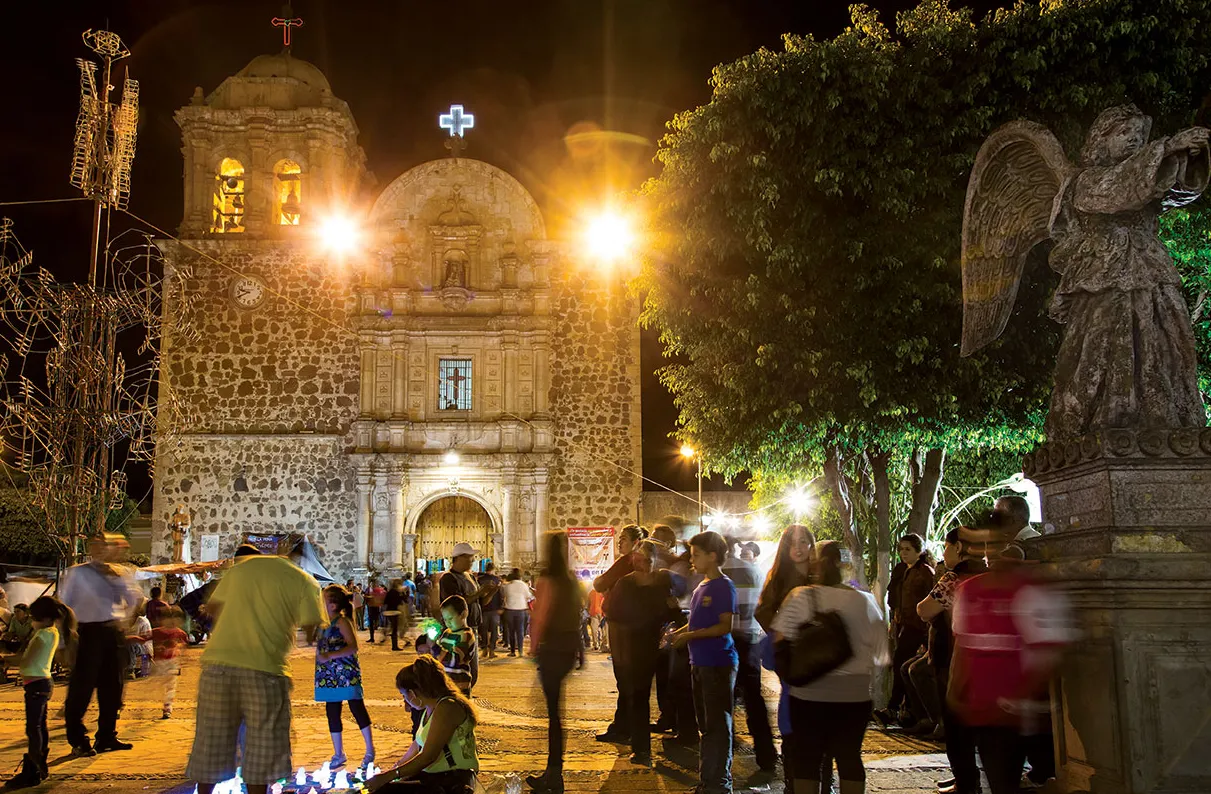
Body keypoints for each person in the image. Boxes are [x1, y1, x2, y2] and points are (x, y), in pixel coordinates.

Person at [185, 544, 325, 794]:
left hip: (218, 665)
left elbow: (214, 608)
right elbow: (312, 627)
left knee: (212, 742)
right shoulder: (305, 581)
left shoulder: (241, 570)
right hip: (265, 669)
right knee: (262, 745)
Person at [948, 524, 1073, 794]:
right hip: (989, 713)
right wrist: (956, 694)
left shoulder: (1033, 592)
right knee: (1001, 779)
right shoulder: (969, 592)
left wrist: (1022, 698)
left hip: (1028, 712)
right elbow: (963, 645)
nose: (991, 553)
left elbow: (1050, 654)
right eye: (983, 546)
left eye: (996, 545)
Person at [773, 540, 889, 794]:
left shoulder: (801, 596)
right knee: (849, 759)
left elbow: (779, 643)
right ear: (846, 566)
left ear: (816, 564)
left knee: (807, 761)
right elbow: (882, 656)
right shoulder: (867, 602)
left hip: (808, 697)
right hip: (855, 698)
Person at [918, 529, 987, 794]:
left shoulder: (953, 578)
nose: (944, 552)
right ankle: (968, 778)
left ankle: (966, 781)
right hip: (983, 659)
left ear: (959, 547)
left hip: (953, 658)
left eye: (946, 547)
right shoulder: (988, 575)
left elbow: (924, 609)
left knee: (956, 726)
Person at [669, 532, 739, 794]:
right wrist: (680, 633)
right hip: (699, 662)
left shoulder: (723, 587)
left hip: (718, 663)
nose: (691, 559)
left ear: (712, 556)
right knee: (706, 727)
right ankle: (708, 781)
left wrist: (689, 635)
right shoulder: (702, 587)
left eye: (696, 554)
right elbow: (698, 622)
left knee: (718, 727)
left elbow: (724, 626)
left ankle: (720, 783)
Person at [60, 533, 141, 756]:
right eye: (95, 544)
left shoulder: (119, 572)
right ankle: (78, 739)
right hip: (88, 631)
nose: (100, 548)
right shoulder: (78, 572)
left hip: (112, 631)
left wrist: (126, 622)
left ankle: (106, 736)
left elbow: (135, 599)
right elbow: (65, 604)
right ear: (89, 547)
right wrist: (67, 639)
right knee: (82, 688)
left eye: (104, 544)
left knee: (113, 688)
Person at [755, 524, 823, 792]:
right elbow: (763, 611)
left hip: (821, 654)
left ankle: (820, 777)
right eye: (793, 542)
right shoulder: (778, 577)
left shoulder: (820, 575)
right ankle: (793, 780)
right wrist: (782, 635)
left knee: (819, 716)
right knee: (792, 714)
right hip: (791, 656)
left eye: (804, 541)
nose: (799, 547)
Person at [606, 539, 681, 766]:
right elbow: (614, 615)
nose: (642, 564)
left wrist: (673, 623)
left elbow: (675, 610)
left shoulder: (663, 580)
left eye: (647, 560)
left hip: (661, 646)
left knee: (668, 692)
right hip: (636, 648)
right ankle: (641, 749)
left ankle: (676, 732)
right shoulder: (625, 584)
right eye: (638, 559)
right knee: (639, 697)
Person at [363, 657, 478, 793]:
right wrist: (394, 770)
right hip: (434, 777)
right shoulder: (430, 708)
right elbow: (417, 746)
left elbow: (428, 756)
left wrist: (388, 776)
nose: (404, 701)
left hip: (452, 781)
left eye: (403, 695)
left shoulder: (447, 707)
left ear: (412, 693)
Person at [525, 531, 583, 793]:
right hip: (569, 647)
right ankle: (553, 771)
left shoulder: (548, 579)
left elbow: (541, 616)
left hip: (553, 649)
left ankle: (554, 774)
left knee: (554, 715)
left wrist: (533, 646)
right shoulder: (571, 580)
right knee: (555, 712)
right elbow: (577, 616)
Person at [4, 596, 75, 789]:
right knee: (39, 727)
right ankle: (40, 767)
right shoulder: (51, 632)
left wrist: (6, 659)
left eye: (33, 617)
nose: (31, 621)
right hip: (41, 683)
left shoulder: (43, 635)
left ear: (43, 618)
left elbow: (25, 660)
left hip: (36, 684)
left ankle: (32, 771)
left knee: (33, 728)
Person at [721, 536, 777, 783]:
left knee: (726, 700)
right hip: (750, 640)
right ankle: (766, 754)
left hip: (730, 641)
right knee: (754, 700)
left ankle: (724, 754)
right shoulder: (753, 570)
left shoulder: (723, 573)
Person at [592, 525, 648, 743]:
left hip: (624, 626)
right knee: (630, 680)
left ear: (636, 542)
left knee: (625, 679)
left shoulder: (628, 561)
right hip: (634, 625)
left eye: (623, 539)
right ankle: (627, 726)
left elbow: (600, 582)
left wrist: (609, 587)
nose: (619, 543)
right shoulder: (642, 562)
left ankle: (625, 728)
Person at [876, 533, 935, 727]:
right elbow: (894, 595)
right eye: (901, 549)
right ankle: (904, 711)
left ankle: (895, 709)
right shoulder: (902, 570)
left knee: (904, 663)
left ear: (919, 550)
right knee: (903, 665)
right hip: (905, 624)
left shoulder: (925, 571)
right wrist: (895, 617)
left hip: (918, 625)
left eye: (908, 549)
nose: (903, 553)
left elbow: (930, 597)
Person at [316, 585, 375, 771]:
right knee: (332, 712)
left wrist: (330, 656)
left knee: (356, 707)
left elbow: (353, 646)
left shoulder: (342, 622)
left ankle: (370, 749)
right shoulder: (324, 623)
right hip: (328, 676)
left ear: (333, 605)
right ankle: (339, 753)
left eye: (323, 600)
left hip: (346, 673)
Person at [439, 544, 491, 642]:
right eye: (470, 557)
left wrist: (491, 592)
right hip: (456, 631)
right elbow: (456, 604)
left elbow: (480, 602)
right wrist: (479, 592)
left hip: (472, 627)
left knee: (472, 657)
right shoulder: (448, 578)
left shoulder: (470, 577)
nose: (473, 560)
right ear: (460, 558)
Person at [433, 595, 478, 695]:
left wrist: (434, 648)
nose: (448, 623)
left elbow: (454, 660)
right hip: (444, 684)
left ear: (463, 614)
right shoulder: (447, 633)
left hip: (459, 687)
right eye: (445, 619)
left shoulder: (466, 636)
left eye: (450, 618)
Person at [151, 607, 190, 720]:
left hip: (172, 662)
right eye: (169, 618)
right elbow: (144, 639)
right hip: (159, 663)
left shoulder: (180, 633)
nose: (172, 621)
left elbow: (184, 644)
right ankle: (165, 704)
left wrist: (180, 652)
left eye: (175, 619)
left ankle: (167, 708)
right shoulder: (156, 632)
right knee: (160, 686)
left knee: (170, 686)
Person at [500, 569, 533, 657]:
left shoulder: (507, 586)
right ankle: (521, 651)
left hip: (509, 610)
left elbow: (504, 595)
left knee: (511, 630)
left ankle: (512, 651)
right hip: (521, 610)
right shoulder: (524, 585)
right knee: (520, 630)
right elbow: (528, 596)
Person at [476, 563, 503, 660]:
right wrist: (500, 606)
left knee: (483, 629)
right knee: (494, 630)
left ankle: (484, 649)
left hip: (483, 608)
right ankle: (492, 649)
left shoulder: (479, 580)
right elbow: (500, 594)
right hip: (494, 608)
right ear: (493, 569)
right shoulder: (497, 580)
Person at [384, 580, 406, 652]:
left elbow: (385, 602)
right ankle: (394, 646)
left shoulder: (390, 592)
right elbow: (402, 601)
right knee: (394, 629)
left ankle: (393, 643)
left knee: (393, 628)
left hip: (389, 611)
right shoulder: (397, 592)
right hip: (394, 612)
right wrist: (403, 593)